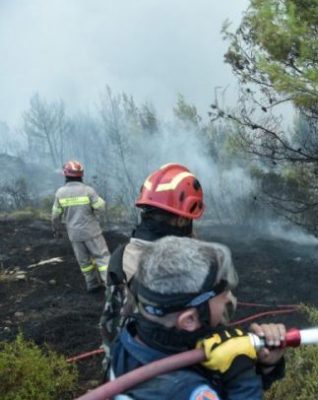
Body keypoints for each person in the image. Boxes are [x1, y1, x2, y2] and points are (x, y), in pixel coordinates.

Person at [108, 236, 286, 399]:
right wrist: (240, 372)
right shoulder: (186, 390)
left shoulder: (129, 338)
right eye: (222, 295)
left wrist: (265, 368)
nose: (227, 299)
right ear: (189, 320)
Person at [100, 163, 205, 368]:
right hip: (178, 372)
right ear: (183, 219)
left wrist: (111, 365)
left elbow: (109, 320)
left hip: (126, 361)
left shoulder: (120, 256)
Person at [52, 160, 110, 292]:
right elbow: (101, 207)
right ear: (81, 175)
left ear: (66, 175)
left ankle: (92, 284)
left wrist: (57, 230)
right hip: (92, 231)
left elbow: (55, 216)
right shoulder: (88, 190)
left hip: (74, 234)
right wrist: (93, 214)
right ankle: (110, 287)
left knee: (84, 262)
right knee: (103, 259)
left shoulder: (60, 193)